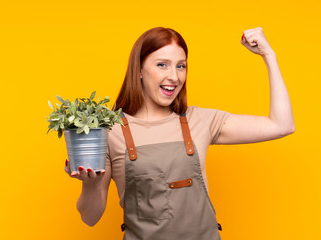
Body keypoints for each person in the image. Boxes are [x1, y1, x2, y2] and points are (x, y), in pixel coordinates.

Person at [64, 26, 295, 239]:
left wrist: (269, 56)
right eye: (162, 64)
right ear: (140, 70)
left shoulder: (201, 120)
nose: (174, 77)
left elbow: (282, 125)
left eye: (181, 65)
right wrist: (91, 185)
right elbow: (89, 218)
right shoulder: (109, 130)